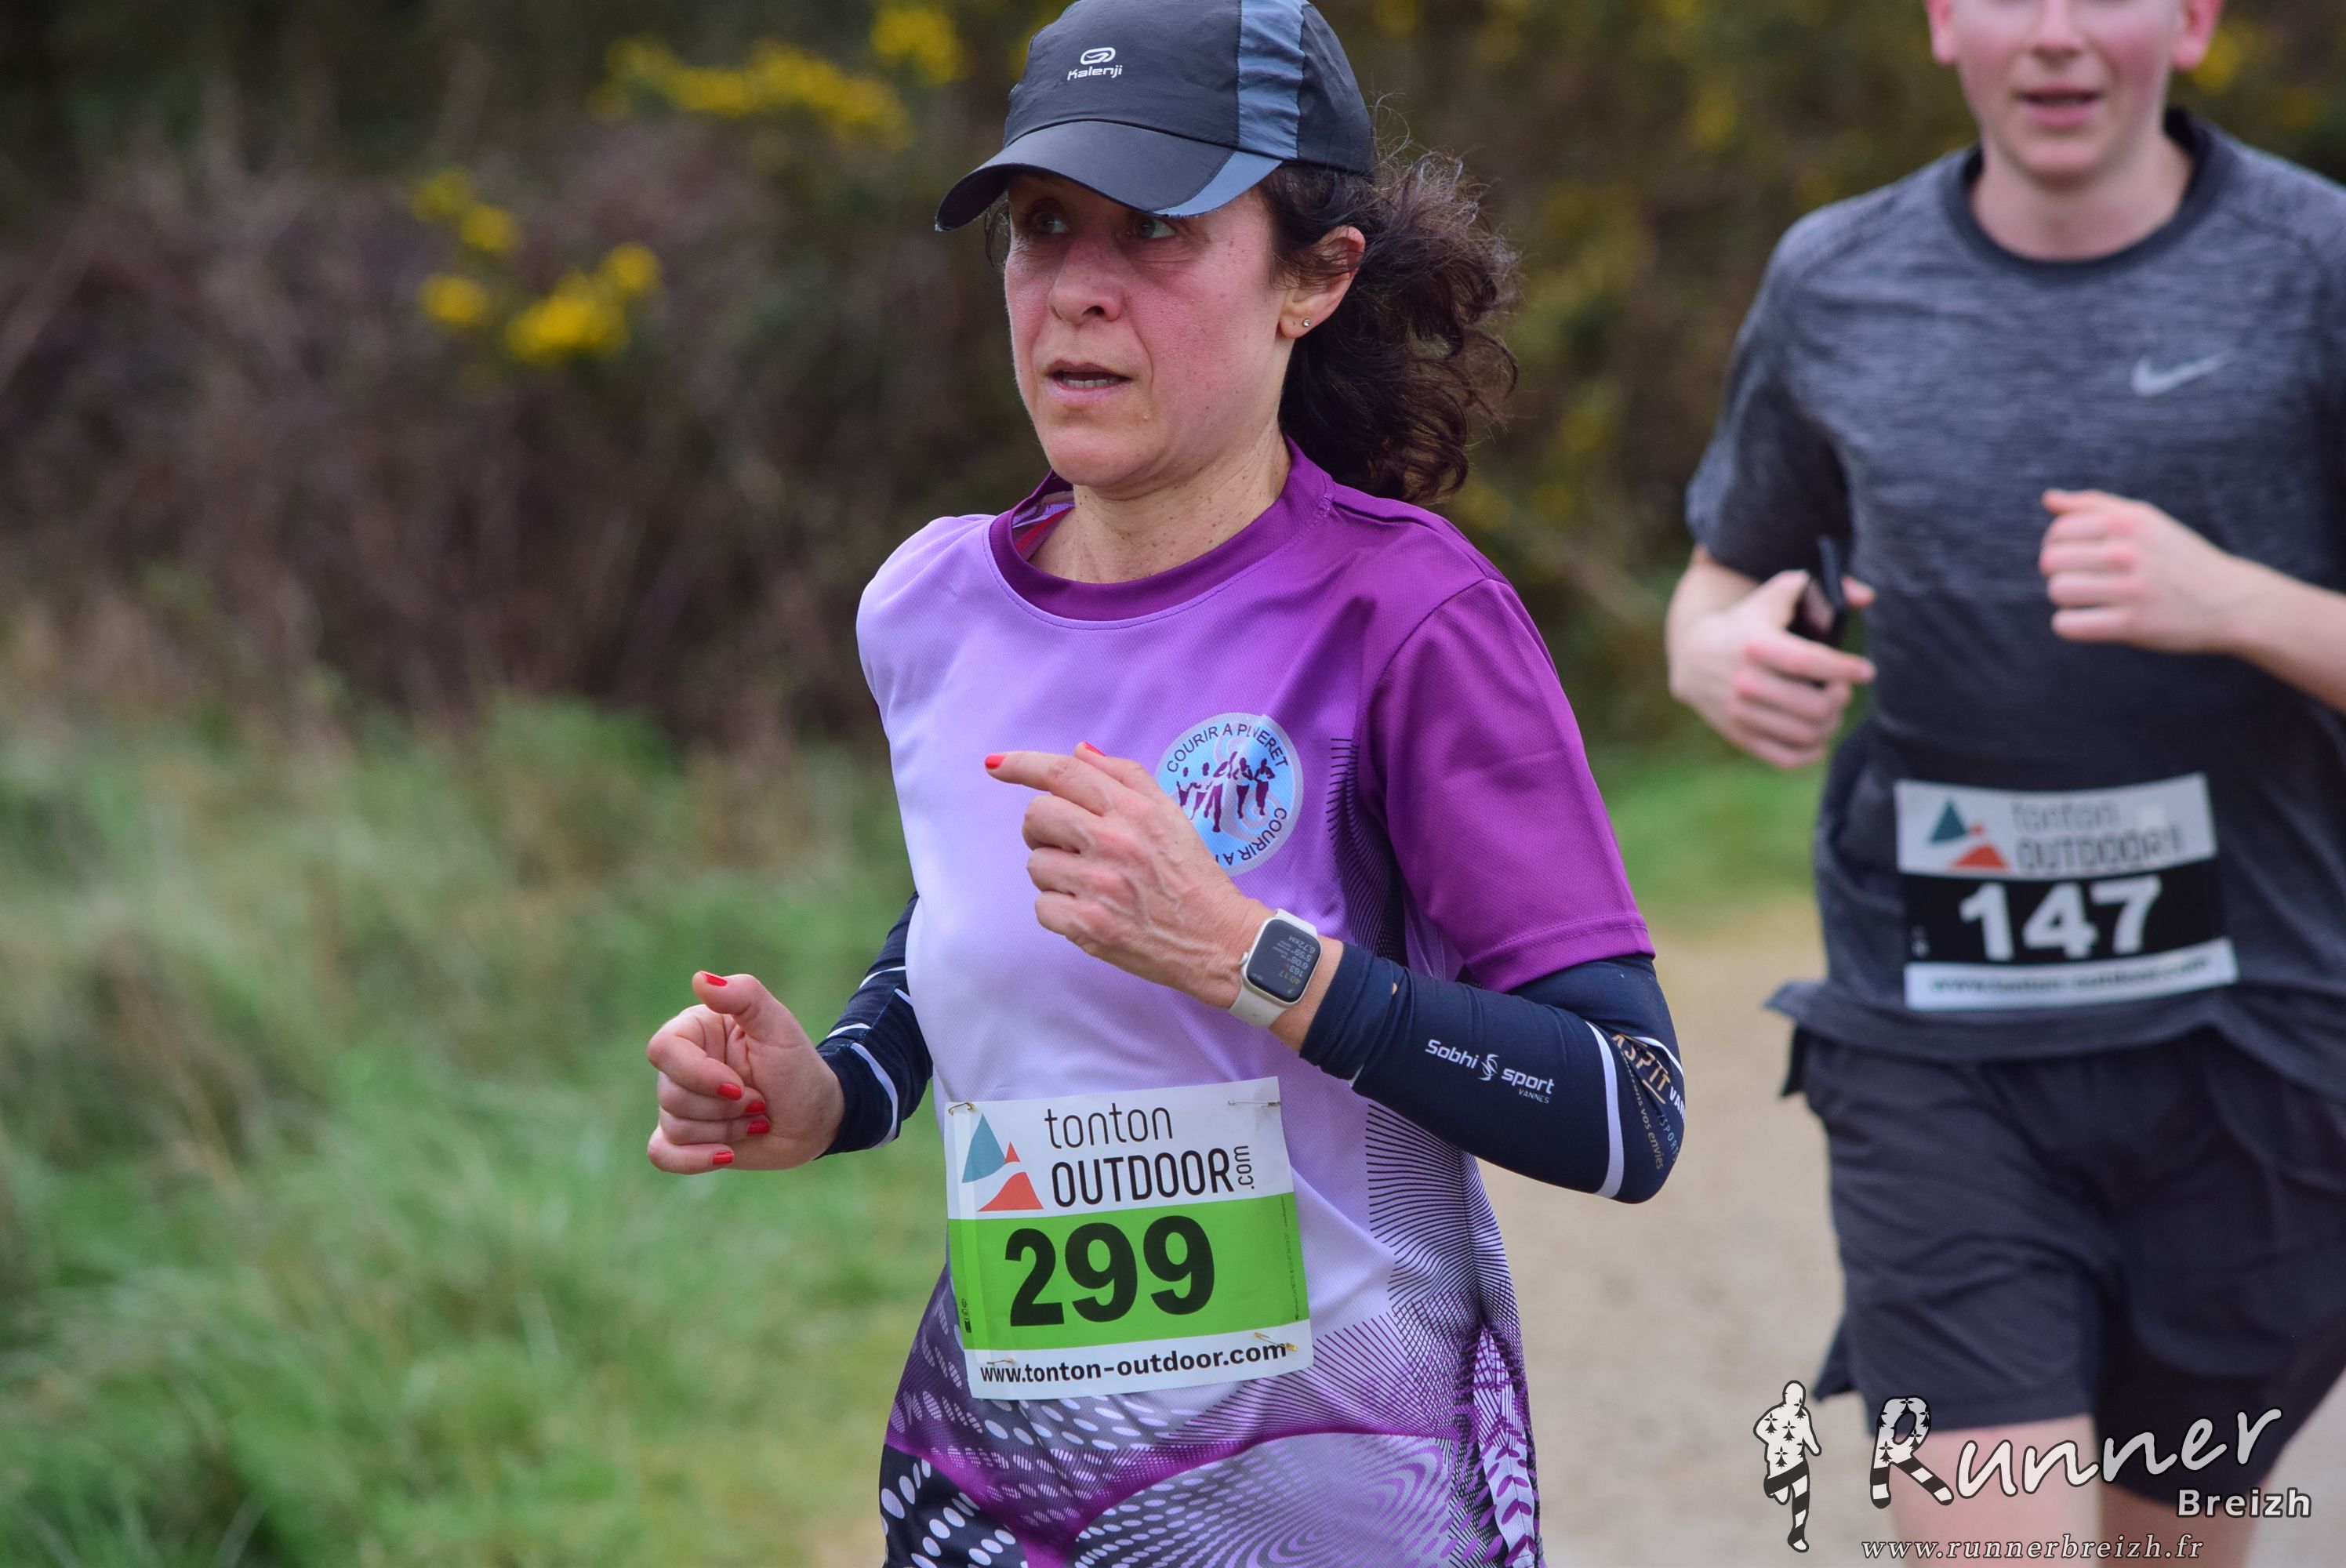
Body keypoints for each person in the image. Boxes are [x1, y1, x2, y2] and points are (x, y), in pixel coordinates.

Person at [641, 2, 1686, 1562]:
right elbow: (972, 912)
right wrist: (838, 1090)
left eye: (1157, 230)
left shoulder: (1407, 617)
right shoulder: (927, 605)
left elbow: (1628, 1107)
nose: (1077, 286)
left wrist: (1249, 957)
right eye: (1041, 226)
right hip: (1002, 1500)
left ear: (1312, 279)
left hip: (1335, 1509)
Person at [1668, 0, 2346, 1560]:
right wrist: (1712, 653)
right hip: (1939, 1043)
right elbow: (1724, 576)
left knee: (2164, 1547)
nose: (2050, 35)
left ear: (2191, 20)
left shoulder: (2314, 268)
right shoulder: (1836, 280)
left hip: (2257, 1049)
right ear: (1939, 23)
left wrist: (2236, 601)